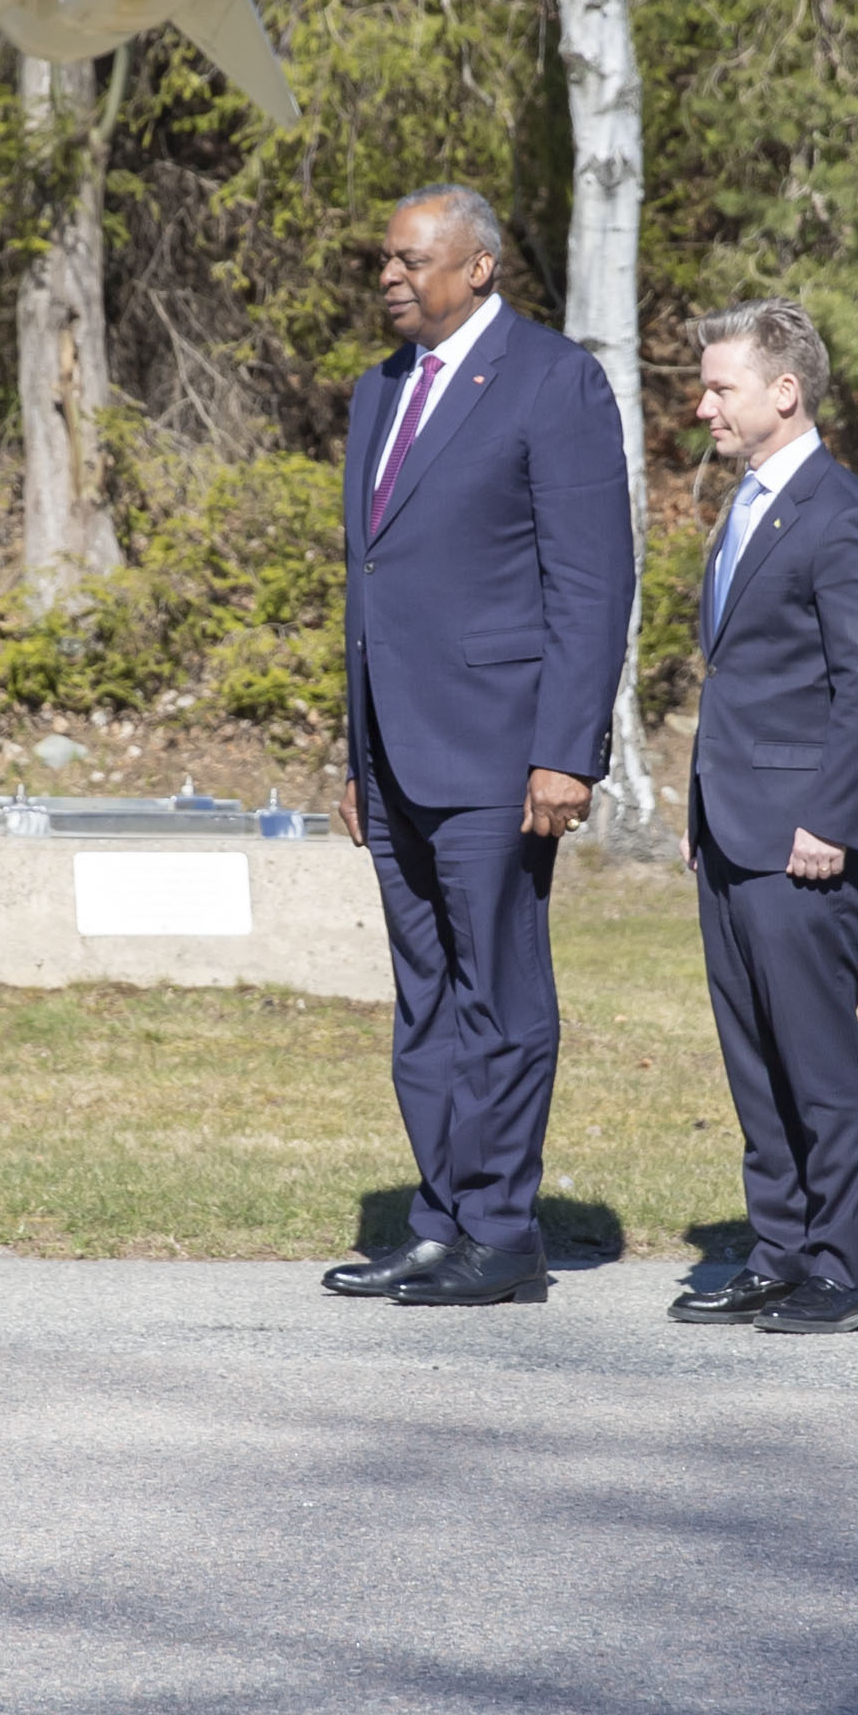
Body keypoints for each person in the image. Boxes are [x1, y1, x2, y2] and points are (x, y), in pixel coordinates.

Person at [326, 185, 635, 1308]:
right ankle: (442, 1221)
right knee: (425, 1001)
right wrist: (353, 757)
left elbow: (592, 584)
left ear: (480, 268)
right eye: (386, 258)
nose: (391, 276)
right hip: (396, 755)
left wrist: (566, 752)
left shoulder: (554, 383)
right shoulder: (380, 391)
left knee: (499, 992)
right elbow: (368, 592)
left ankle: (503, 1232)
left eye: (413, 259)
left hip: (502, 753)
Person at [672, 298, 858, 1336]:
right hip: (732, 828)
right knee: (756, 1056)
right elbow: (740, 676)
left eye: (720, 386)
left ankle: (844, 1269)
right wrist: (697, 808)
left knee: (817, 1057)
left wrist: (832, 819)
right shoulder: (752, 503)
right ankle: (777, 1253)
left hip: (806, 836)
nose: (702, 404)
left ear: (785, 389)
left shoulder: (846, 516)